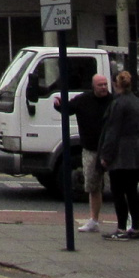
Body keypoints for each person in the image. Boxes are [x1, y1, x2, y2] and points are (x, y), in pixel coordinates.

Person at [53, 72, 112, 233]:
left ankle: (126, 219)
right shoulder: (83, 100)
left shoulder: (113, 101)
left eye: (105, 84)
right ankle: (93, 220)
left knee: (119, 187)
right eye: (100, 85)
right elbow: (68, 109)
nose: (104, 87)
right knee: (93, 186)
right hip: (91, 149)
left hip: (110, 150)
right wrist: (58, 105)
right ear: (93, 86)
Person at [98, 68, 139, 240]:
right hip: (137, 150)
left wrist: (106, 156)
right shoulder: (136, 101)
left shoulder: (118, 104)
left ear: (115, 85)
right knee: (132, 191)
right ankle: (135, 228)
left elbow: (112, 131)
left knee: (118, 191)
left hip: (121, 153)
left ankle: (121, 228)